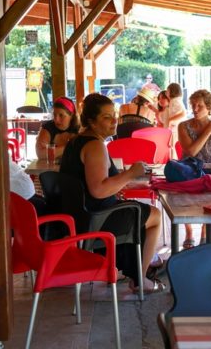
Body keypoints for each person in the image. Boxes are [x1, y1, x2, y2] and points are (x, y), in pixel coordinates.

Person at [60, 93, 165, 293]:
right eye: (107, 117)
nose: (115, 120)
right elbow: (99, 190)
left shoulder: (76, 142)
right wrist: (130, 173)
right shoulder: (95, 145)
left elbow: (90, 184)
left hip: (79, 218)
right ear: (91, 121)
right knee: (155, 216)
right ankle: (140, 280)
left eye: (114, 114)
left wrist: (126, 183)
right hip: (96, 220)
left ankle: (129, 265)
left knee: (138, 210)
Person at [177, 89, 211, 249]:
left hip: (209, 172)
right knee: (184, 193)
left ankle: (206, 232)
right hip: (188, 171)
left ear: (209, 108)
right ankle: (189, 232)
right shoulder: (183, 126)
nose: (195, 109)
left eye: (200, 106)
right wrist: (207, 131)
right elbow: (190, 152)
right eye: (193, 105)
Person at [35, 96, 79, 160]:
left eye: (61, 115)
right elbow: (40, 154)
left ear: (71, 115)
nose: (56, 120)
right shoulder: (48, 127)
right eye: (54, 115)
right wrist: (67, 147)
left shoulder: (79, 129)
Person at [165, 82, 187, 150]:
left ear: (172, 91)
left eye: (167, 90)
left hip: (176, 128)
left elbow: (183, 113)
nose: (166, 92)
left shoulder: (175, 101)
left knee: (174, 148)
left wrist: (171, 120)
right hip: (176, 128)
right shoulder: (174, 101)